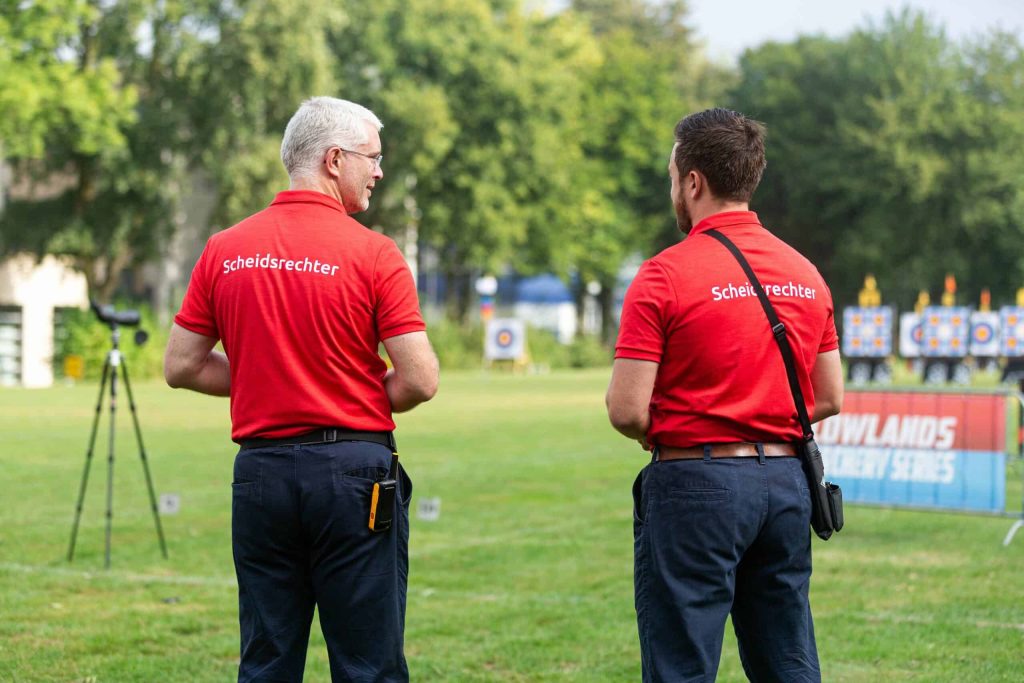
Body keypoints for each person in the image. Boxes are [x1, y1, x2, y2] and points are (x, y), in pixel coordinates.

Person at [164, 96, 438, 682]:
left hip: (260, 476)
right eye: (374, 157)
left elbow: (181, 366)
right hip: (352, 476)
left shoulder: (224, 249)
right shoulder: (374, 252)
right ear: (335, 160)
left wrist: (278, 376)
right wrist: (336, 384)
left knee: (267, 661)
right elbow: (419, 379)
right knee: (368, 663)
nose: (380, 171)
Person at [606, 108, 844, 682]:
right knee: (787, 655)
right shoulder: (805, 272)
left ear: (693, 181)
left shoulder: (665, 274)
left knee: (681, 661)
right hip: (787, 485)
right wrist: (759, 419)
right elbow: (830, 395)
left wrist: (682, 427)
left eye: (672, 174)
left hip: (696, 483)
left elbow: (626, 409)